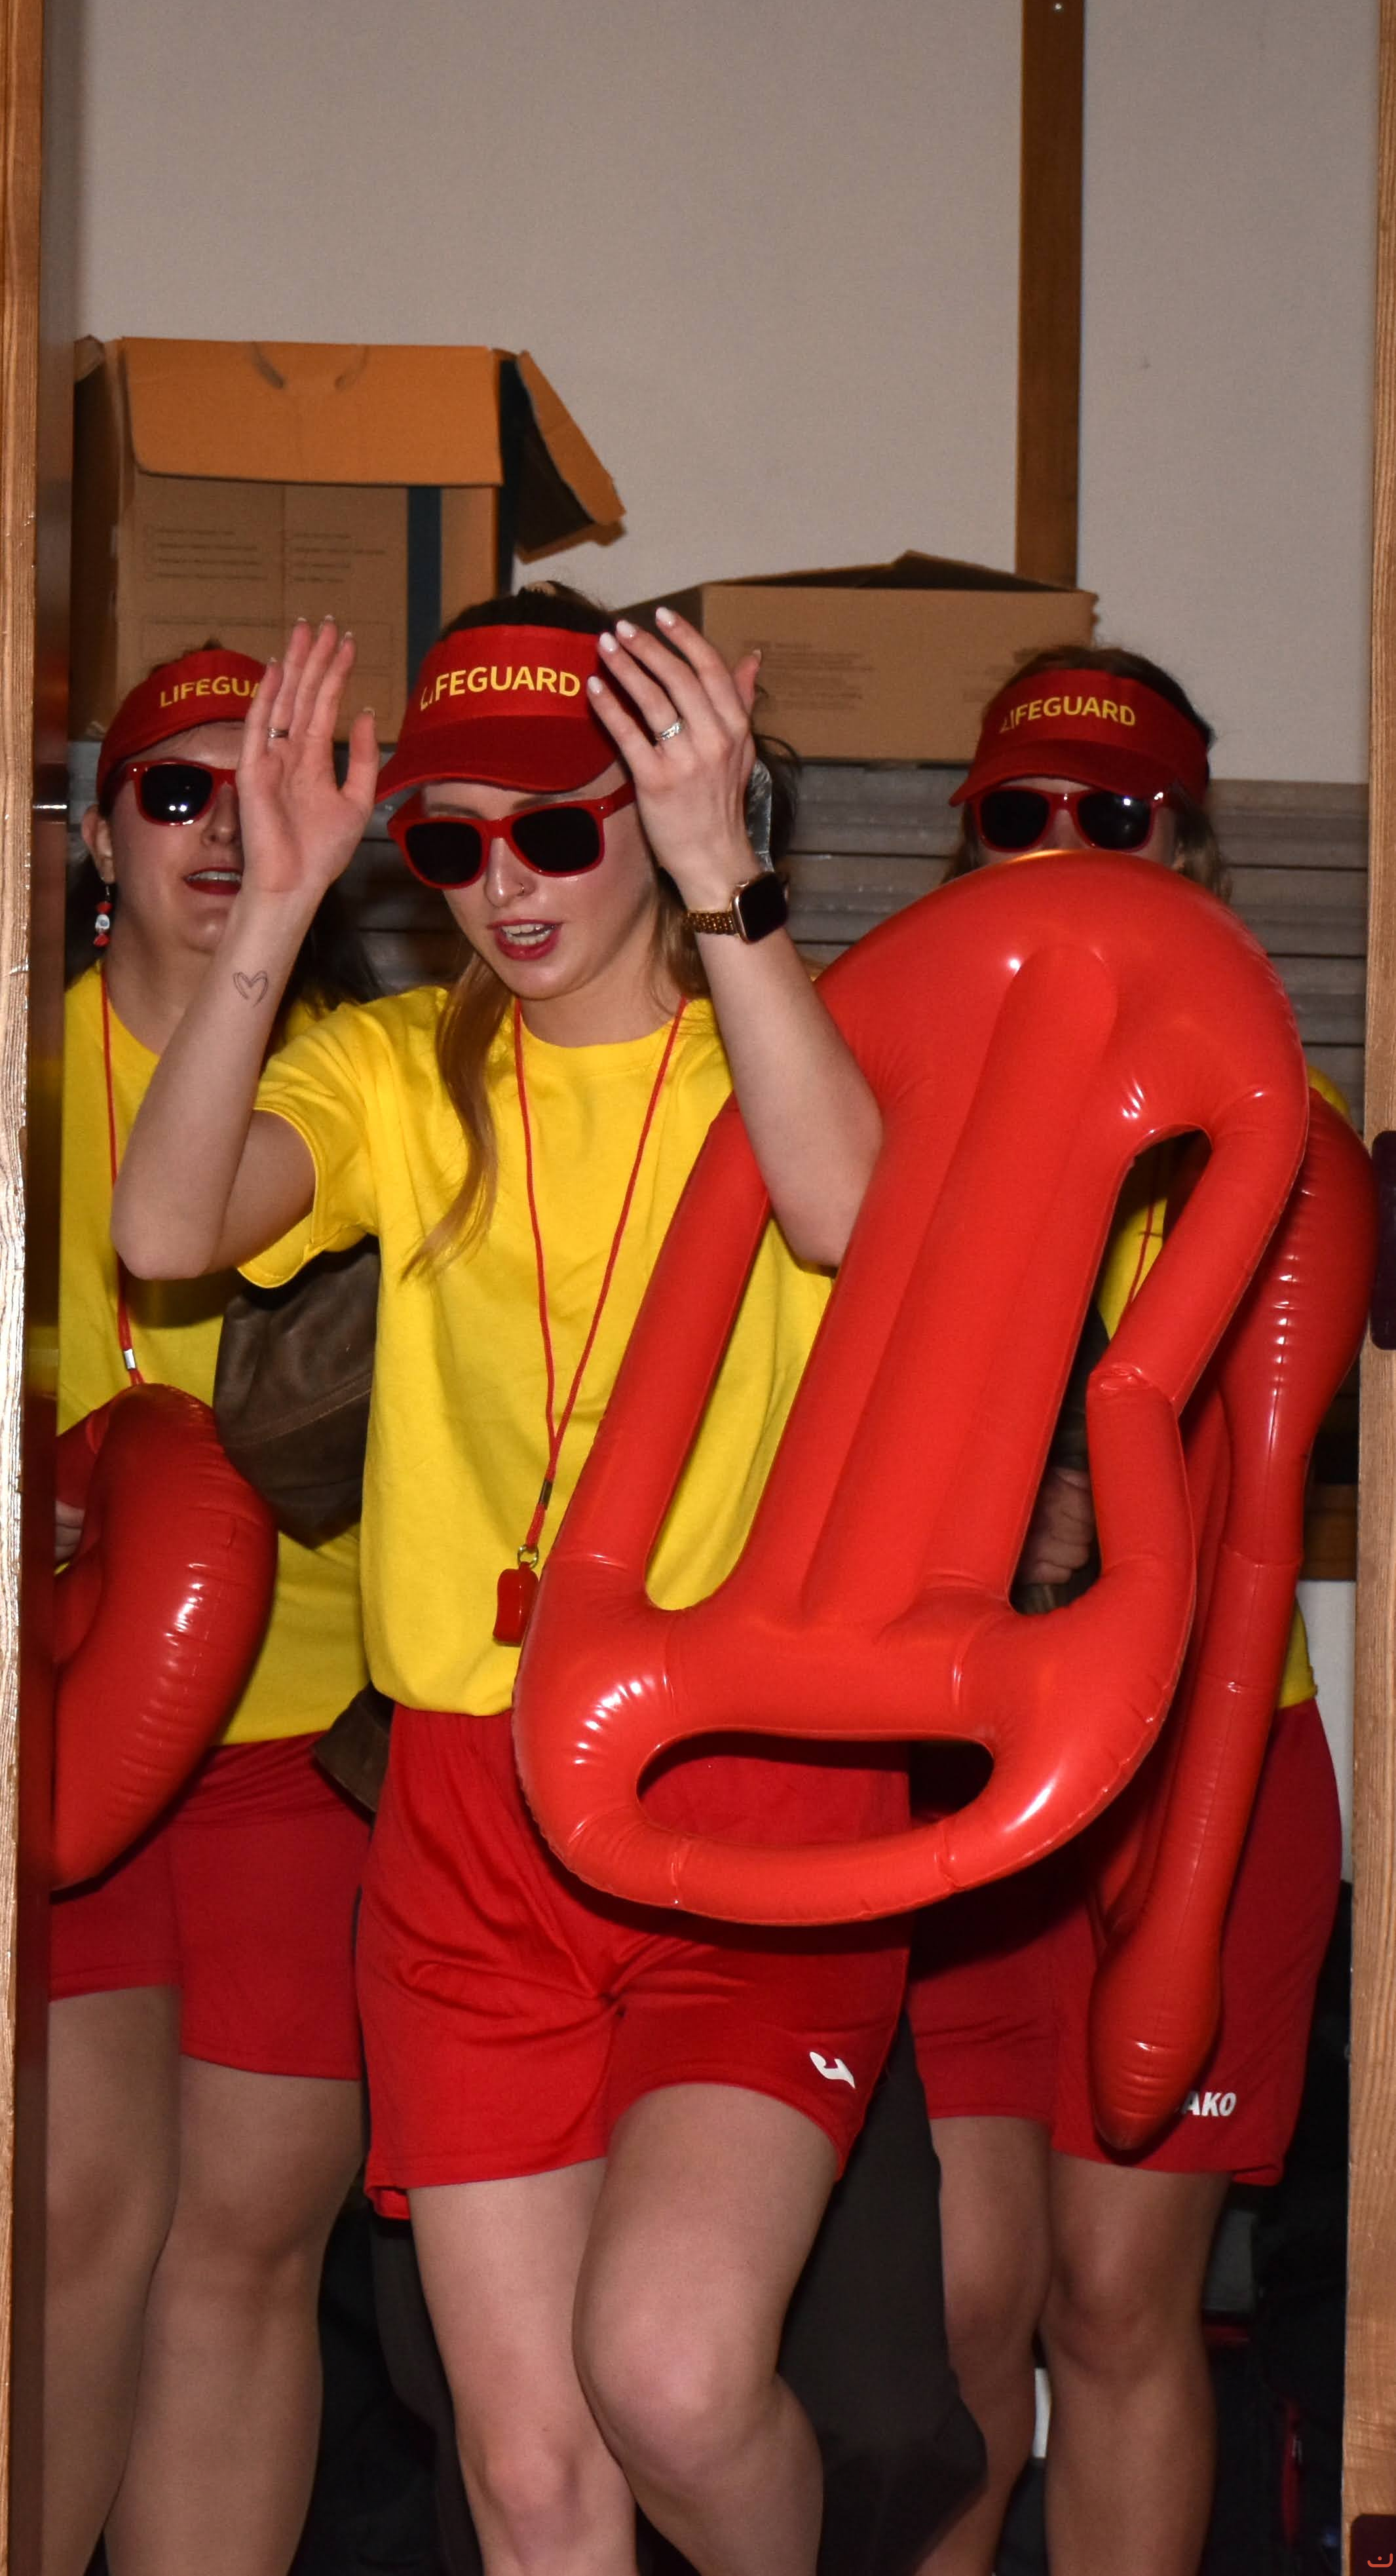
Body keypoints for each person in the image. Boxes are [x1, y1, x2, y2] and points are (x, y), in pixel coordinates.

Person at [111, 590, 912, 2576]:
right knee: (536, 2483)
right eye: (450, 843)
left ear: (661, 807)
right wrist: (277, 902)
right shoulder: (402, 1069)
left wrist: (728, 878)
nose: (506, 887)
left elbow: (856, 1224)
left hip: (749, 1793)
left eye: (556, 828)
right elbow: (165, 1223)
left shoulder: (781, 1048)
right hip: (470, 1817)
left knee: (672, 2377)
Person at [907, 645, 1345, 2576]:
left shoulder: (1277, 1115)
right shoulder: (887, 1087)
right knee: (956, 2308)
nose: (1069, 845)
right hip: (955, 1766)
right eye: (1023, 814)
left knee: (1114, 2302)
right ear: (969, 844)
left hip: (1204, 1768)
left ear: (1191, 851)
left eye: (1117, 813)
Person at [47, 649, 375, 2576]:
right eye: (177, 791)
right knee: (75, 2215)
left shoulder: (375, 1079)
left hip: (301, 1727)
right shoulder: (23, 1062)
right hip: (54, 1722)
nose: (221, 830)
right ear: (97, 836)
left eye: (263, 792)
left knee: (247, 2248)